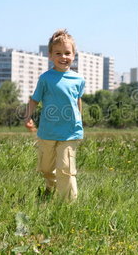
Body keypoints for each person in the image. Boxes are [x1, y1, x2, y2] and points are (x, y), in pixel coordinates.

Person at [25, 29, 85, 201]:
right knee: (45, 168)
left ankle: (68, 204)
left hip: (70, 132)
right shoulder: (45, 78)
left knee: (66, 169)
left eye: (67, 53)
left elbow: (77, 101)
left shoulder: (79, 80)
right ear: (50, 55)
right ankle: (51, 188)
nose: (63, 57)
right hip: (47, 132)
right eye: (58, 53)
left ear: (74, 55)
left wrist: (79, 120)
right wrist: (27, 117)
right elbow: (35, 100)